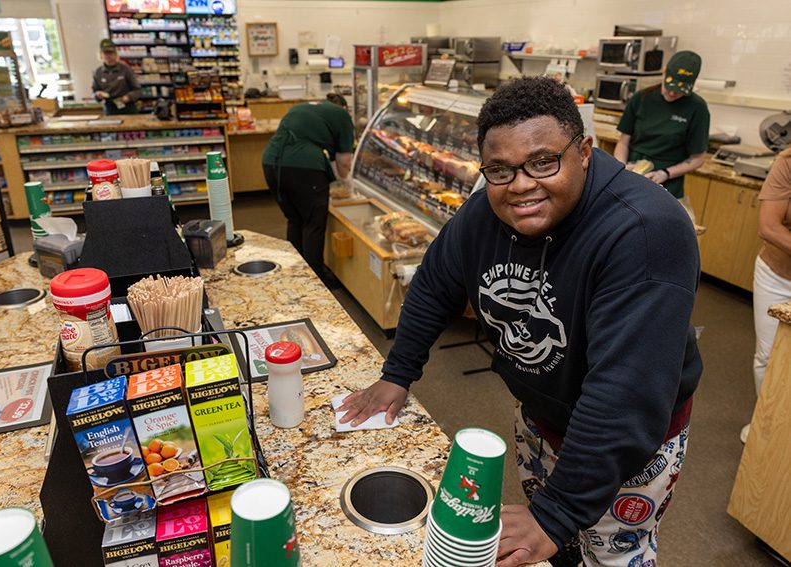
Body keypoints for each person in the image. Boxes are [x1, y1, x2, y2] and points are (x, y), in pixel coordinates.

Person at [338, 77, 701, 567]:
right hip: (539, 416)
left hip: (626, 446)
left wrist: (558, 512)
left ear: (585, 151)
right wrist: (397, 374)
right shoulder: (491, 206)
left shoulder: (644, 230)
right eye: (500, 169)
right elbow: (434, 283)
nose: (522, 185)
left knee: (610, 556)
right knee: (557, 554)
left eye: (543, 161)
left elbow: (625, 393)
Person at [262, 93, 354, 282]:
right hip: (304, 168)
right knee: (313, 223)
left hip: (271, 163)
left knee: (295, 219)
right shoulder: (342, 114)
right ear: (343, 107)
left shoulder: (303, 107)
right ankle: (316, 278)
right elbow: (344, 161)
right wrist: (347, 184)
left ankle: (297, 269)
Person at [742, 147, 791, 443]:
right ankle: (769, 427)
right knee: (769, 356)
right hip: (778, 276)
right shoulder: (787, 163)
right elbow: (769, 227)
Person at [614, 50, 710, 198]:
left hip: (668, 184)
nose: (672, 94)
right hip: (633, 175)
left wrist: (665, 173)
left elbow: (698, 159)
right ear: (664, 72)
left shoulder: (697, 108)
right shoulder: (641, 98)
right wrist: (622, 168)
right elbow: (623, 143)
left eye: (679, 91)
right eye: (670, 87)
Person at [92, 39, 141, 115]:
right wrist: (97, 95)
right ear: (101, 55)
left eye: (110, 53)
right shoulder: (98, 72)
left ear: (115, 54)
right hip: (110, 109)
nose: (108, 55)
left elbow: (137, 90)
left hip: (128, 108)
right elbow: (94, 92)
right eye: (105, 53)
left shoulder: (125, 69)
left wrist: (128, 97)